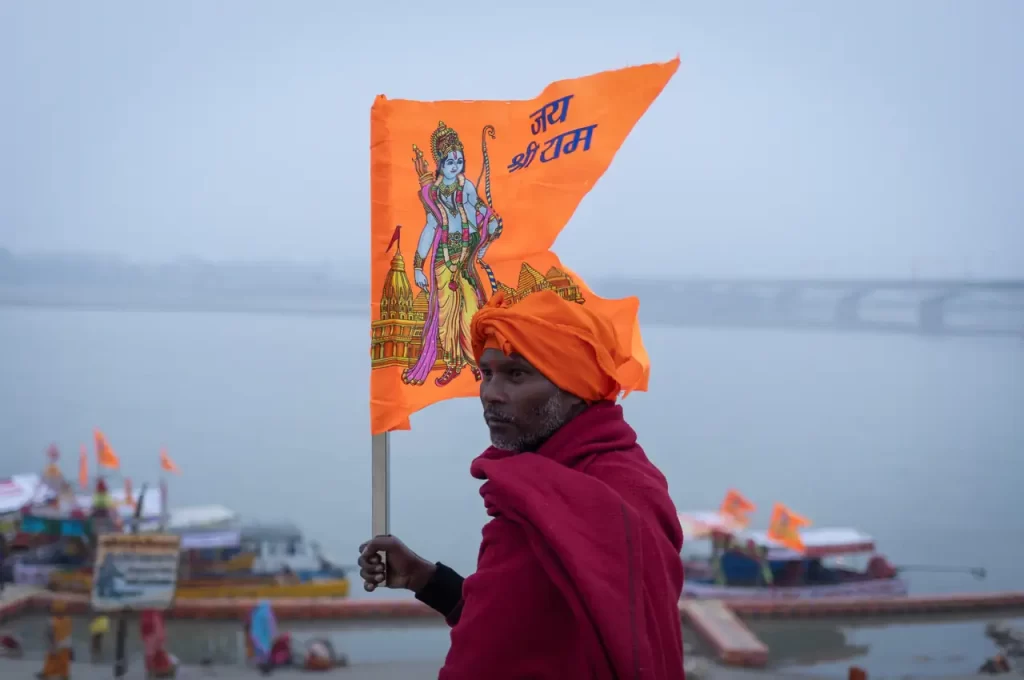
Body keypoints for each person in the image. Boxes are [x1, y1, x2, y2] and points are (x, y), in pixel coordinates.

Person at [359, 290, 685, 679]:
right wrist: (426, 580)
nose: (491, 394)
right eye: (487, 373)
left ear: (574, 389)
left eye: (517, 374)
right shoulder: (623, 478)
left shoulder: (561, 503)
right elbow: (533, 631)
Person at [37, 601, 73, 679]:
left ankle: (50, 673)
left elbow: (50, 635)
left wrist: (52, 646)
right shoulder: (67, 620)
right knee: (58, 661)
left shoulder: (52, 621)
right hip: (64, 644)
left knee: (55, 660)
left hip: (59, 644)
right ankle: (60, 674)